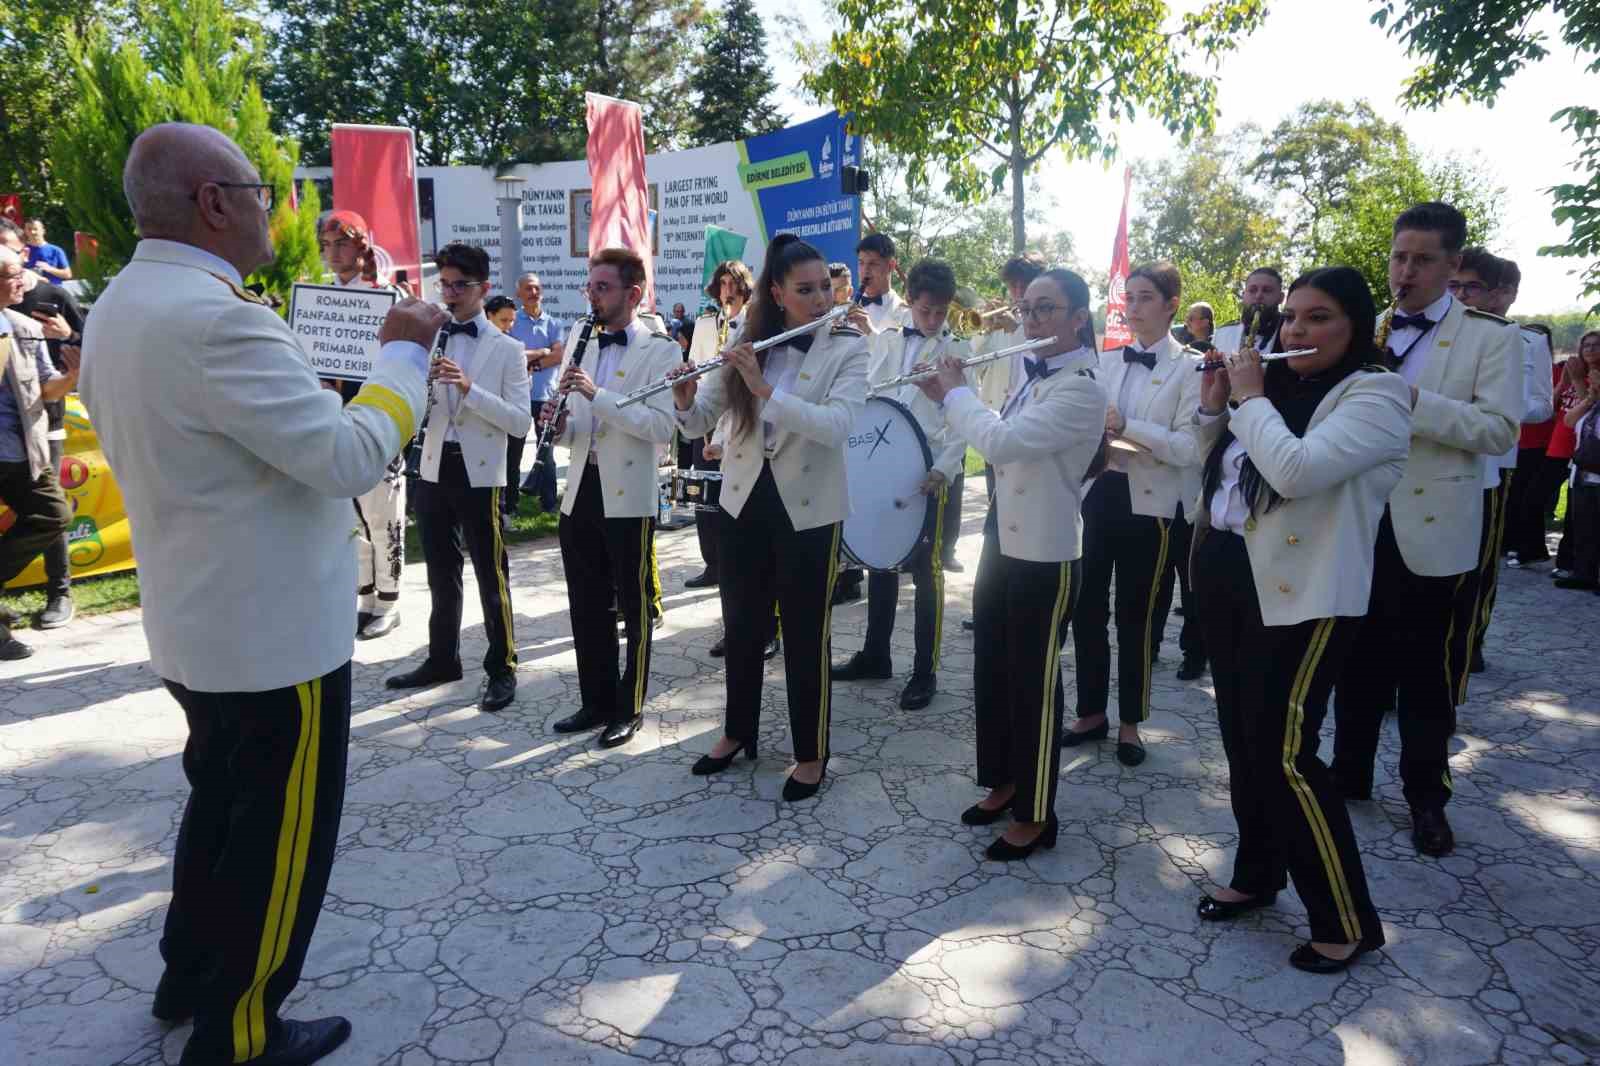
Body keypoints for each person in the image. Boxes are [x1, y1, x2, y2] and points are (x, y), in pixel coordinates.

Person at [79, 122, 440, 1066]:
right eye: (256, 189)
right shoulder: (218, 316)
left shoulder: (123, 302)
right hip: (276, 636)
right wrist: (402, 355)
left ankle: (189, 975)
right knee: (280, 842)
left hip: (202, 626)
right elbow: (347, 457)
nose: (273, 208)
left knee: (221, 809)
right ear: (211, 203)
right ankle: (240, 1030)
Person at [1191, 266, 1409, 974]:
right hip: (1230, 577)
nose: (1296, 332)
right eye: (1291, 318)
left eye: (1318, 318)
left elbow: (1294, 471)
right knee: (1243, 743)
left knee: (1285, 753)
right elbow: (1214, 469)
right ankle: (1258, 873)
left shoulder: (1376, 395)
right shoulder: (1275, 392)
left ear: (1357, 327)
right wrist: (1215, 404)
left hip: (1305, 595)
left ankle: (1345, 917)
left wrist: (1250, 398)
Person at [1331, 202, 1521, 859]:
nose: (1405, 270)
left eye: (1422, 259)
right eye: (1398, 256)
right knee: (1351, 657)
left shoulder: (1492, 338)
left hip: (1431, 524)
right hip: (1356, 519)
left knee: (1423, 672)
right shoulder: (1368, 328)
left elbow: (1498, 430)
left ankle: (1426, 798)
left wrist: (1409, 399)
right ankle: (1348, 773)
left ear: (1452, 265)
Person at [915, 267, 1106, 859]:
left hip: (1047, 553)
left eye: (1046, 310)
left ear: (1079, 317)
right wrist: (946, 397)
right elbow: (999, 435)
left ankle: (1037, 811)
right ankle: (1004, 780)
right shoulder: (1030, 372)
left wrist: (955, 395)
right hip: (1003, 540)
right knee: (993, 672)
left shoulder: (1083, 386)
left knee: (1034, 683)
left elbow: (999, 443)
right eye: (1028, 310)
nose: (1032, 320)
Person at [671, 234, 868, 801]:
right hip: (742, 500)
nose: (819, 299)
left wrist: (763, 389)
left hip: (808, 509)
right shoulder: (744, 334)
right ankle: (738, 731)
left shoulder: (849, 348)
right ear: (777, 293)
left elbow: (837, 426)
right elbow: (704, 417)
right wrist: (685, 399)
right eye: (804, 290)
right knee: (742, 628)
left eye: (824, 288)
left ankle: (810, 752)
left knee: (807, 634)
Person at [1065, 261, 1203, 765]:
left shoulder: (1191, 366)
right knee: (1087, 609)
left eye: (1145, 296)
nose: (1133, 305)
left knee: (1138, 617)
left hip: (1151, 506)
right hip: (1101, 494)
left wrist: (1129, 427)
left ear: (1171, 304)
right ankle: (1091, 711)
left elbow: (1189, 447)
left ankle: (1130, 723)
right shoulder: (1106, 359)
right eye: (1129, 296)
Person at [543, 247, 681, 748]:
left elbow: (662, 427)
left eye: (602, 287)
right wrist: (558, 424)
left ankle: (630, 705)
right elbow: (578, 424)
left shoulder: (662, 349)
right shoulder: (582, 335)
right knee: (586, 602)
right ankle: (595, 699)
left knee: (635, 602)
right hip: (581, 485)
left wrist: (596, 394)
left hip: (629, 492)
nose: (592, 296)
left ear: (633, 294)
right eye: (590, 287)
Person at [386, 242, 531, 713]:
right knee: (440, 572)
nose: (448, 294)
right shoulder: (431, 336)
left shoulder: (507, 349)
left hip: (479, 470)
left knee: (491, 572)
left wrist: (469, 389)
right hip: (432, 466)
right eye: (443, 284)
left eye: (459, 286)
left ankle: (502, 667)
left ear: (484, 288)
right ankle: (442, 658)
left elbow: (519, 422)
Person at [833, 258, 970, 710]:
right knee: (880, 559)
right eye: (926, 310)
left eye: (941, 312)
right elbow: (871, 396)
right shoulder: (888, 338)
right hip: (884, 462)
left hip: (928, 471)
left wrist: (945, 469)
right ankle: (876, 654)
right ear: (910, 301)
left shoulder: (959, 350)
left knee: (927, 572)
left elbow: (965, 421)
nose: (933, 320)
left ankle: (924, 670)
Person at [1446, 249, 1551, 680]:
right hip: (1436, 456)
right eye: (1457, 286)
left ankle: (1470, 640)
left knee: (1478, 561)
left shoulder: (1524, 340)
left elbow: (1542, 406)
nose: (1463, 295)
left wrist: (1499, 406)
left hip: (1493, 460)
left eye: (1473, 287)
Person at [316, 210, 410, 639]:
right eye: (328, 245)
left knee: (382, 515)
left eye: (342, 243)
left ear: (361, 247)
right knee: (348, 516)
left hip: (376, 418)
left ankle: (389, 601)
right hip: (333, 420)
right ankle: (366, 596)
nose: (334, 253)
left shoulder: (387, 297)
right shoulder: (316, 299)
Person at [1, 222, 82, 628]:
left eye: (20, 269)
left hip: (24, 448)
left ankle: (59, 592)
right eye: (12, 274)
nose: (23, 279)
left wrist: (72, 377)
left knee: (53, 512)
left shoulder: (28, 327)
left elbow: (48, 387)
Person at [685, 259, 753, 592]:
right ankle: (711, 562)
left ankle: (731, 562)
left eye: (733, 283)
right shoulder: (705, 323)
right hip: (706, 412)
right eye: (722, 283)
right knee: (703, 493)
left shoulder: (754, 323)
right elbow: (695, 367)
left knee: (732, 494)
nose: (728, 290)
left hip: (736, 418)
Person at [507, 272, 566, 515]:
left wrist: (532, 363)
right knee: (513, 454)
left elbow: (560, 354)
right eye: (528, 289)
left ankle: (549, 504)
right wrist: (541, 353)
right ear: (518, 293)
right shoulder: (512, 322)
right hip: (517, 396)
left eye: (537, 288)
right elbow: (510, 355)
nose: (533, 293)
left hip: (545, 396)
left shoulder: (553, 323)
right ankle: (509, 506)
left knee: (547, 452)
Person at [1551, 339, 1599, 580]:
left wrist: (1582, 382)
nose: (1590, 349)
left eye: (1596, 344)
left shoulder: (1588, 376)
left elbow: (1594, 415)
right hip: (1578, 454)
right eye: (1586, 345)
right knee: (1579, 517)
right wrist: (1567, 382)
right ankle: (1579, 569)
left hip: (1592, 457)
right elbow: (1571, 418)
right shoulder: (1575, 372)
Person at [1213, 268, 1285, 354]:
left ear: (1281, 298)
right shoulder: (1222, 333)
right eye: (1252, 290)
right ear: (1243, 296)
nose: (1258, 296)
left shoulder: (1291, 332)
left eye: (1267, 290)